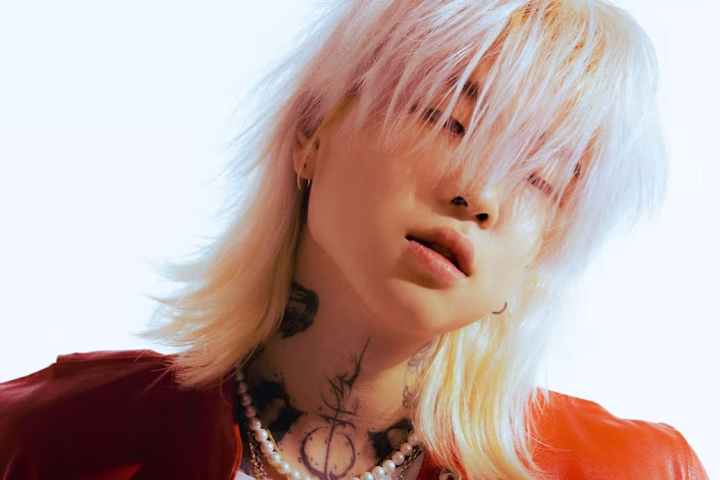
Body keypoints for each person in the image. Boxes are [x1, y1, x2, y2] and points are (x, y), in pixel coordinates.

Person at [0, 0, 709, 479]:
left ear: (543, 255)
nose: (481, 196)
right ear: (313, 129)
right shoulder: (50, 441)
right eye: (448, 119)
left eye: (540, 177)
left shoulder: (627, 471)